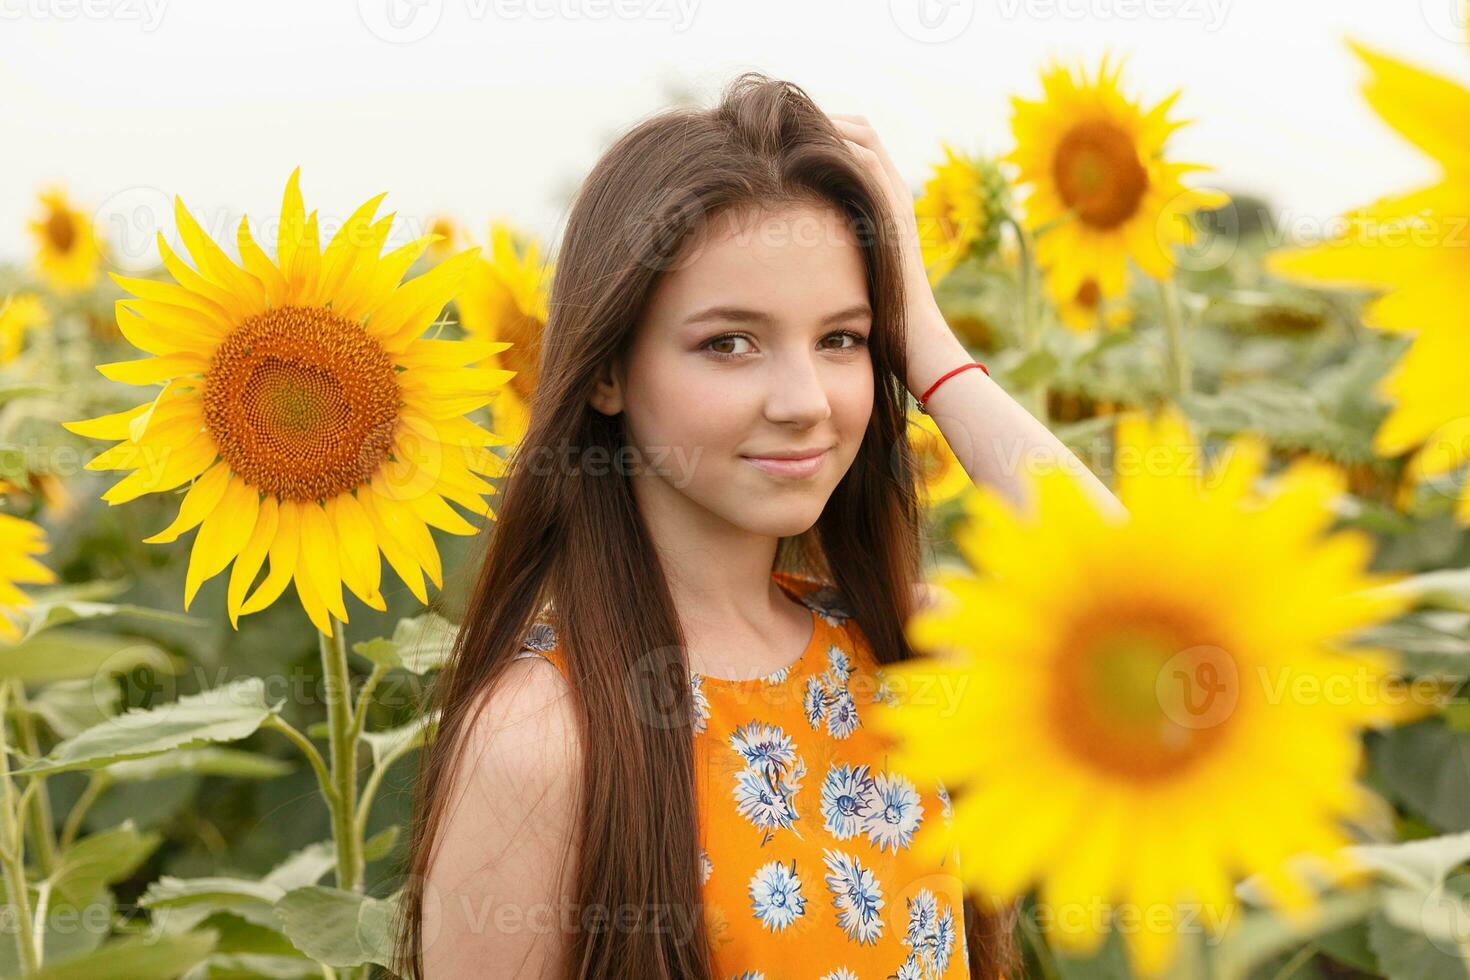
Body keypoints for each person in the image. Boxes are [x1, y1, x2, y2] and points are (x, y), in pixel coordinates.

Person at [394, 71, 1121, 980]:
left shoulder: (905, 647)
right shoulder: (544, 741)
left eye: (841, 340)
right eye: (729, 342)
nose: (804, 402)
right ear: (607, 372)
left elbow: (1140, 602)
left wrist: (923, 334)